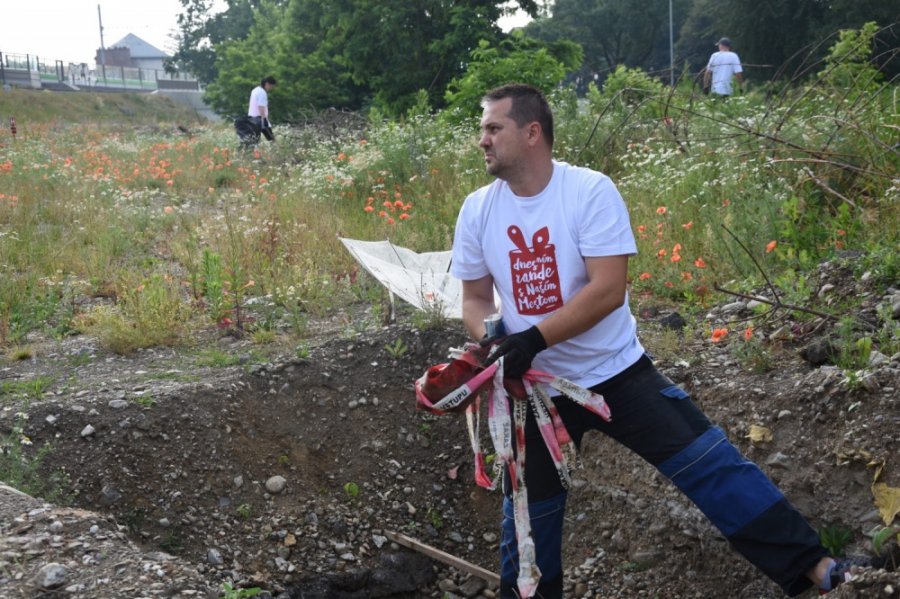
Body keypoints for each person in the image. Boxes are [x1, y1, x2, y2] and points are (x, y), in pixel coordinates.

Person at [449, 83, 886, 598]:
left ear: (531, 133)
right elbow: (475, 298)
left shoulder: (588, 191)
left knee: (711, 465)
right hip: (537, 391)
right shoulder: (478, 209)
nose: (482, 140)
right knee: (526, 518)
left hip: (615, 373)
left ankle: (818, 568)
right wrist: (497, 341)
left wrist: (534, 339)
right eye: (482, 129)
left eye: (492, 128)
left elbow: (608, 289)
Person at [247, 76, 276, 140]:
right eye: (271, 86)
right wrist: (264, 119)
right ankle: (277, 149)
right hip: (260, 120)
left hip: (251, 118)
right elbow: (261, 106)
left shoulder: (254, 90)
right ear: (267, 84)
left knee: (253, 139)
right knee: (271, 138)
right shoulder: (262, 92)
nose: (271, 88)